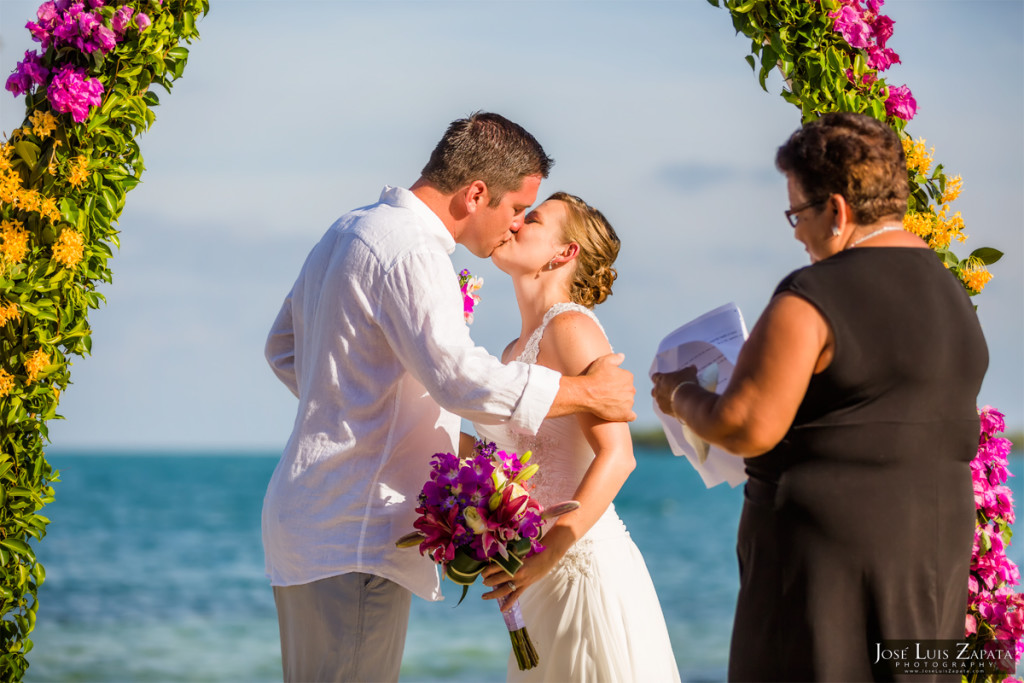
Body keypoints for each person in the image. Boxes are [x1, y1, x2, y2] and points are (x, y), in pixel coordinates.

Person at [262, 113, 637, 683]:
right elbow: (459, 378)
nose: (513, 226)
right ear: (476, 193)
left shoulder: (348, 229)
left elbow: (285, 348)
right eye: (516, 209)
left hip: (306, 521)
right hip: (356, 528)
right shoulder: (415, 250)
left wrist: (353, 401)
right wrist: (587, 392)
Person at [652, 112, 988, 681]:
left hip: (826, 574)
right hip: (933, 559)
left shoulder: (812, 295)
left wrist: (681, 392)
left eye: (798, 213)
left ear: (837, 210)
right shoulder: (950, 291)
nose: (795, 232)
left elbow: (743, 425)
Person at [475, 192, 680, 682]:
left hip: (580, 568)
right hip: (536, 579)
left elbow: (619, 455)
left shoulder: (570, 328)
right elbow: (501, 463)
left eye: (534, 218)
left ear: (563, 253)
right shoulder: (510, 352)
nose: (516, 221)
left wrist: (549, 553)